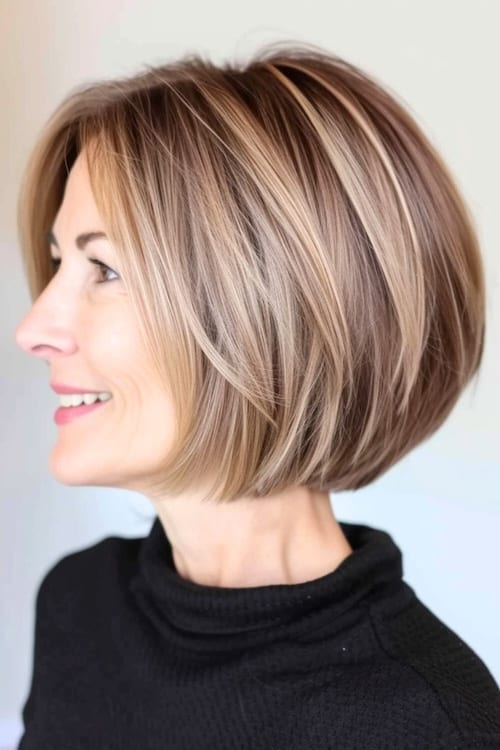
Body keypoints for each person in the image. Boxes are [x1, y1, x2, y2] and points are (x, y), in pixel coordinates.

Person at [14, 41, 500, 749]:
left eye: (106, 270)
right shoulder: (77, 605)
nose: (33, 329)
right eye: (59, 263)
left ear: (270, 315)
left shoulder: (424, 724)